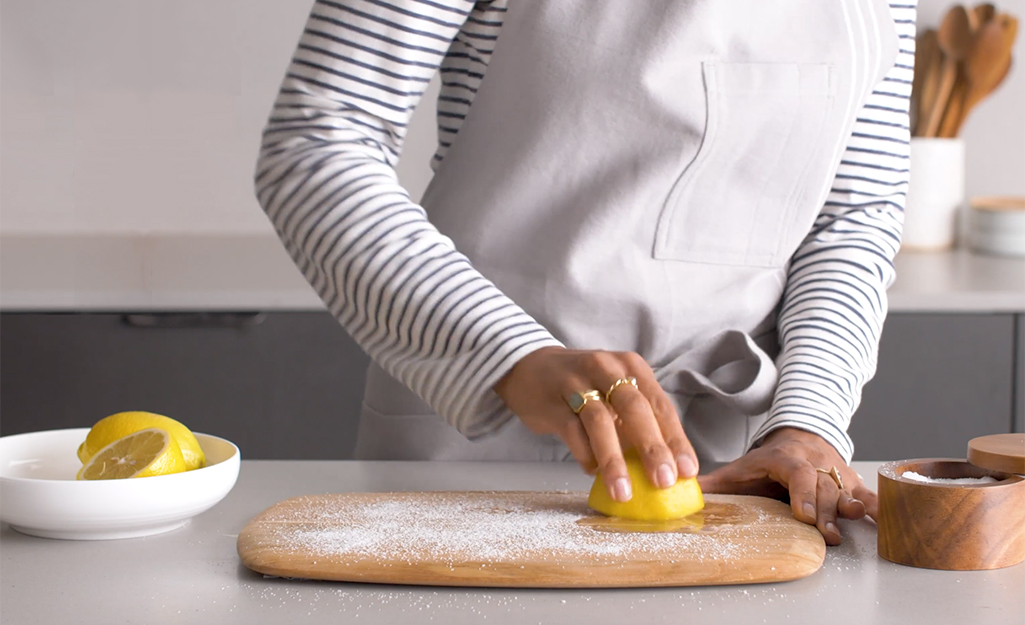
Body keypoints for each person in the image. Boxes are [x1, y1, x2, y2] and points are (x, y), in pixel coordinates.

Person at [255, 0, 915, 545]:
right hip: (480, 435)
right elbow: (316, 144)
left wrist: (806, 421)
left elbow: (854, 216)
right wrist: (513, 356)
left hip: (742, 470)